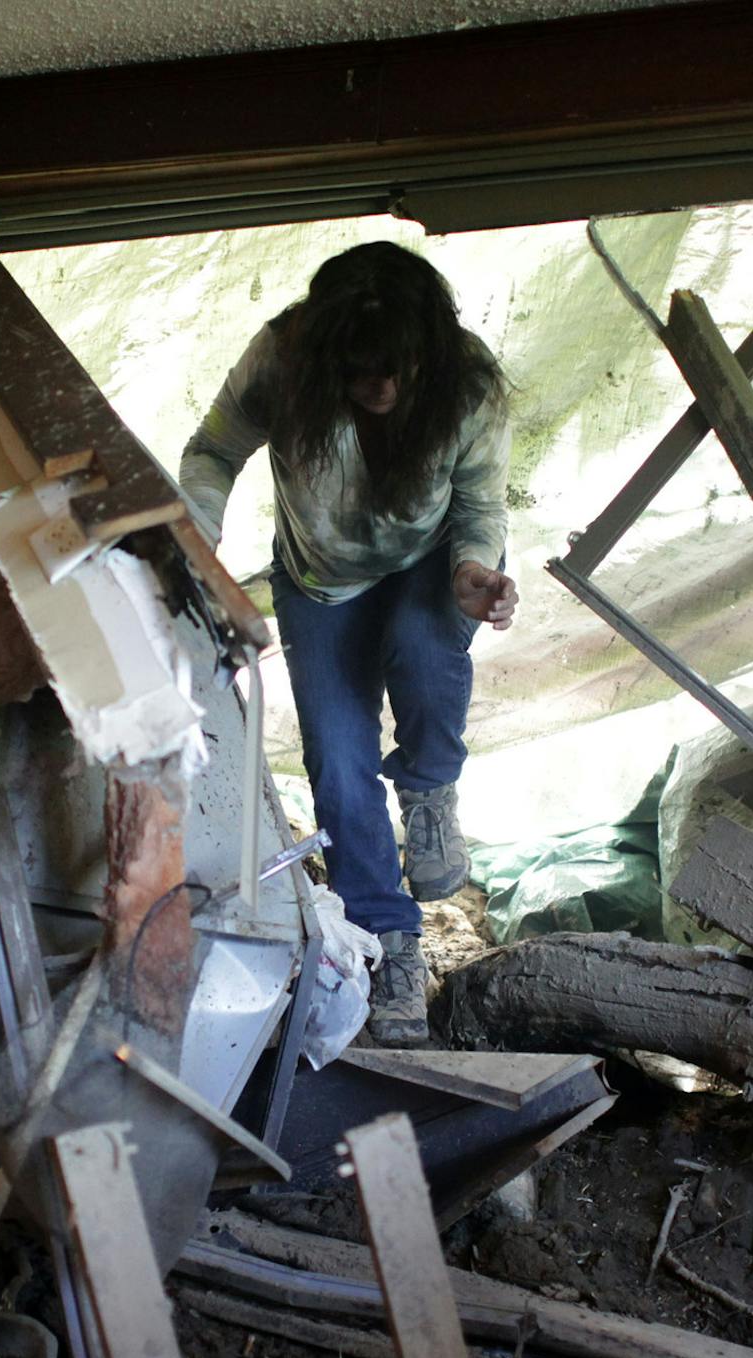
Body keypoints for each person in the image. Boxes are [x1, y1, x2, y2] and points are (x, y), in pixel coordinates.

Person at [180, 241, 517, 1048]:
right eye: (362, 370)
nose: (381, 388)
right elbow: (214, 451)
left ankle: (431, 792)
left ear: (426, 354)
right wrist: (191, 543)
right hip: (320, 580)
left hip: (431, 566)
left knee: (425, 651)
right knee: (336, 760)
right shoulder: (284, 360)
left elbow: (480, 501)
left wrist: (475, 569)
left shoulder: (466, 384)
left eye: (397, 370)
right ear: (329, 352)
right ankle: (387, 938)